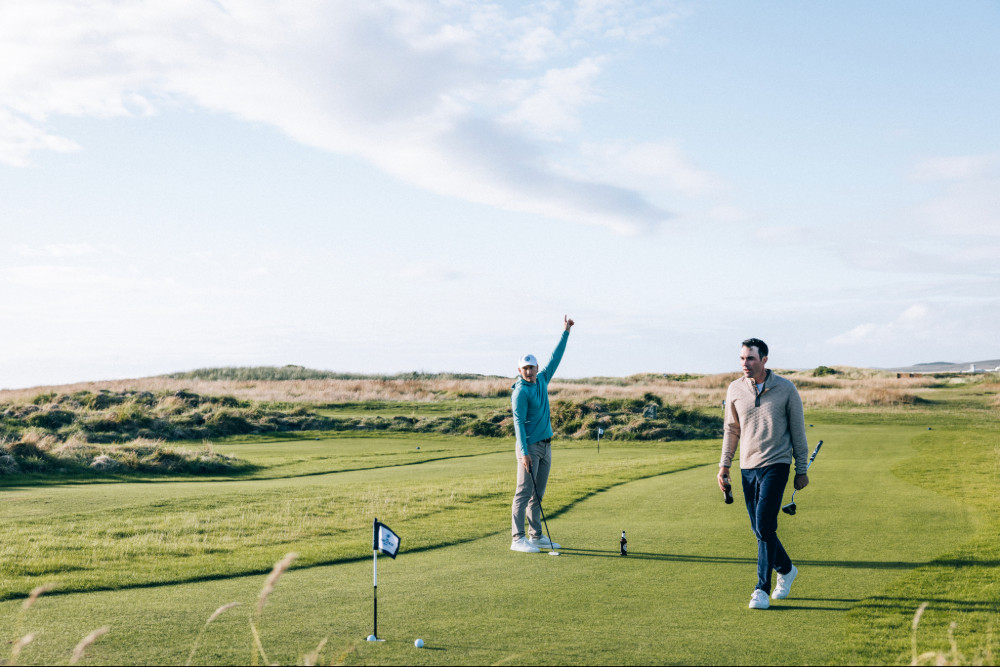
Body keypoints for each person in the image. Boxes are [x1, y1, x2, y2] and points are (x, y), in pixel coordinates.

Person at [718, 338, 809, 609]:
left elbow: (798, 431)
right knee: (758, 527)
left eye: (751, 358)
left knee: (765, 524)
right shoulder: (734, 389)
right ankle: (786, 569)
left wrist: (801, 469)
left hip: (776, 464)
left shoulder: (786, 388)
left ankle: (761, 589)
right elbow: (731, 429)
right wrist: (724, 466)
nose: (745, 363)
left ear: (764, 360)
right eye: (742, 358)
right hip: (747, 466)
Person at [510, 315, 575, 553]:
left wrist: (566, 332)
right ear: (520, 370)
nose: (529, 371)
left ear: (537, 368)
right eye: (525, 368)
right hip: (529, 447)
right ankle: (517, 538)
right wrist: (524, 453)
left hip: (546, 446)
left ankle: (535, 536)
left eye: (532, 367)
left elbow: (555, 358)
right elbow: (518, 423)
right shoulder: (520, 392)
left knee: (538, 494)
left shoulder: (542, 380)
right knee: (524, 492)